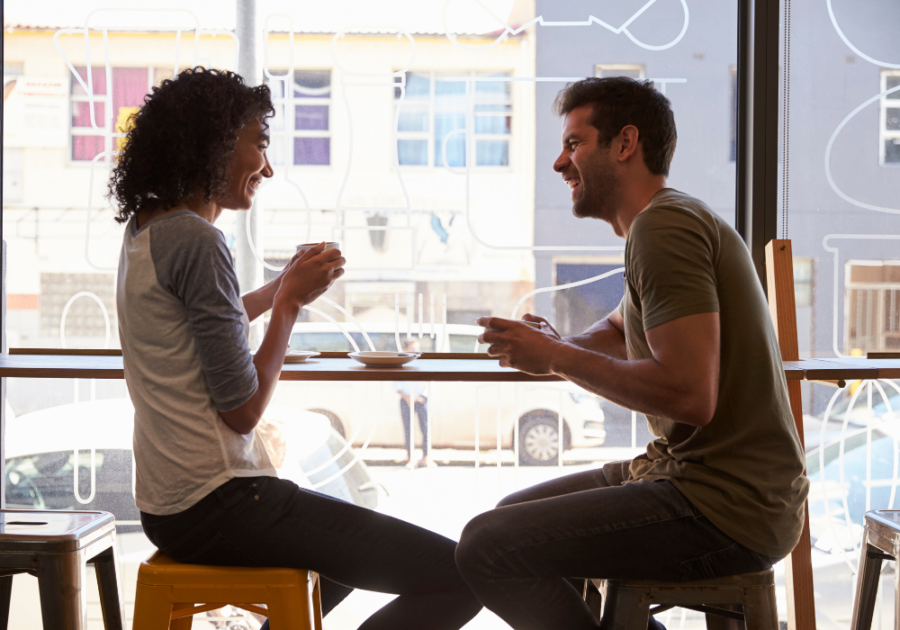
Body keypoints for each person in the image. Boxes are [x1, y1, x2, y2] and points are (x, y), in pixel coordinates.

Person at [112, 67, 481, 630]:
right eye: (259, 143)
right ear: (213, 142)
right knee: (461, 573)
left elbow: (199, 326)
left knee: (343, 547)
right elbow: (242, 412)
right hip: (222, 501)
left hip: (168, 506)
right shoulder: (199, 241)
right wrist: (288, 307)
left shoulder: (147, 229)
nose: (268, 166)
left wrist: (279, 287)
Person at [455, 77, 809, 630]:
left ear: (624, 144)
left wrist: (553, 357)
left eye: (574, 144)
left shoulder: (662, 228)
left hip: (727, 504)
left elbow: (690, 395)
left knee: (488, 546)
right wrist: (557, 343)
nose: (559, 163)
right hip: (691, 477)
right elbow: (620, 329)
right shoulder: (664, 223)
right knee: (509, 522)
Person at [394, 339, 432, 468]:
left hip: (421, 400)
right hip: (406, 401)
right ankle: (411, 459)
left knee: (426, 429)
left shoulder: (423, 363)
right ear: (406, 350)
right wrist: (407, 397)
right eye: (413, 348)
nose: (417, 351)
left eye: (418, 348)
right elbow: (396, 385)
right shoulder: (400, 364)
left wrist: (422, 397)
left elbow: (429, 382)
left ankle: (426, 457)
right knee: (408, 430)